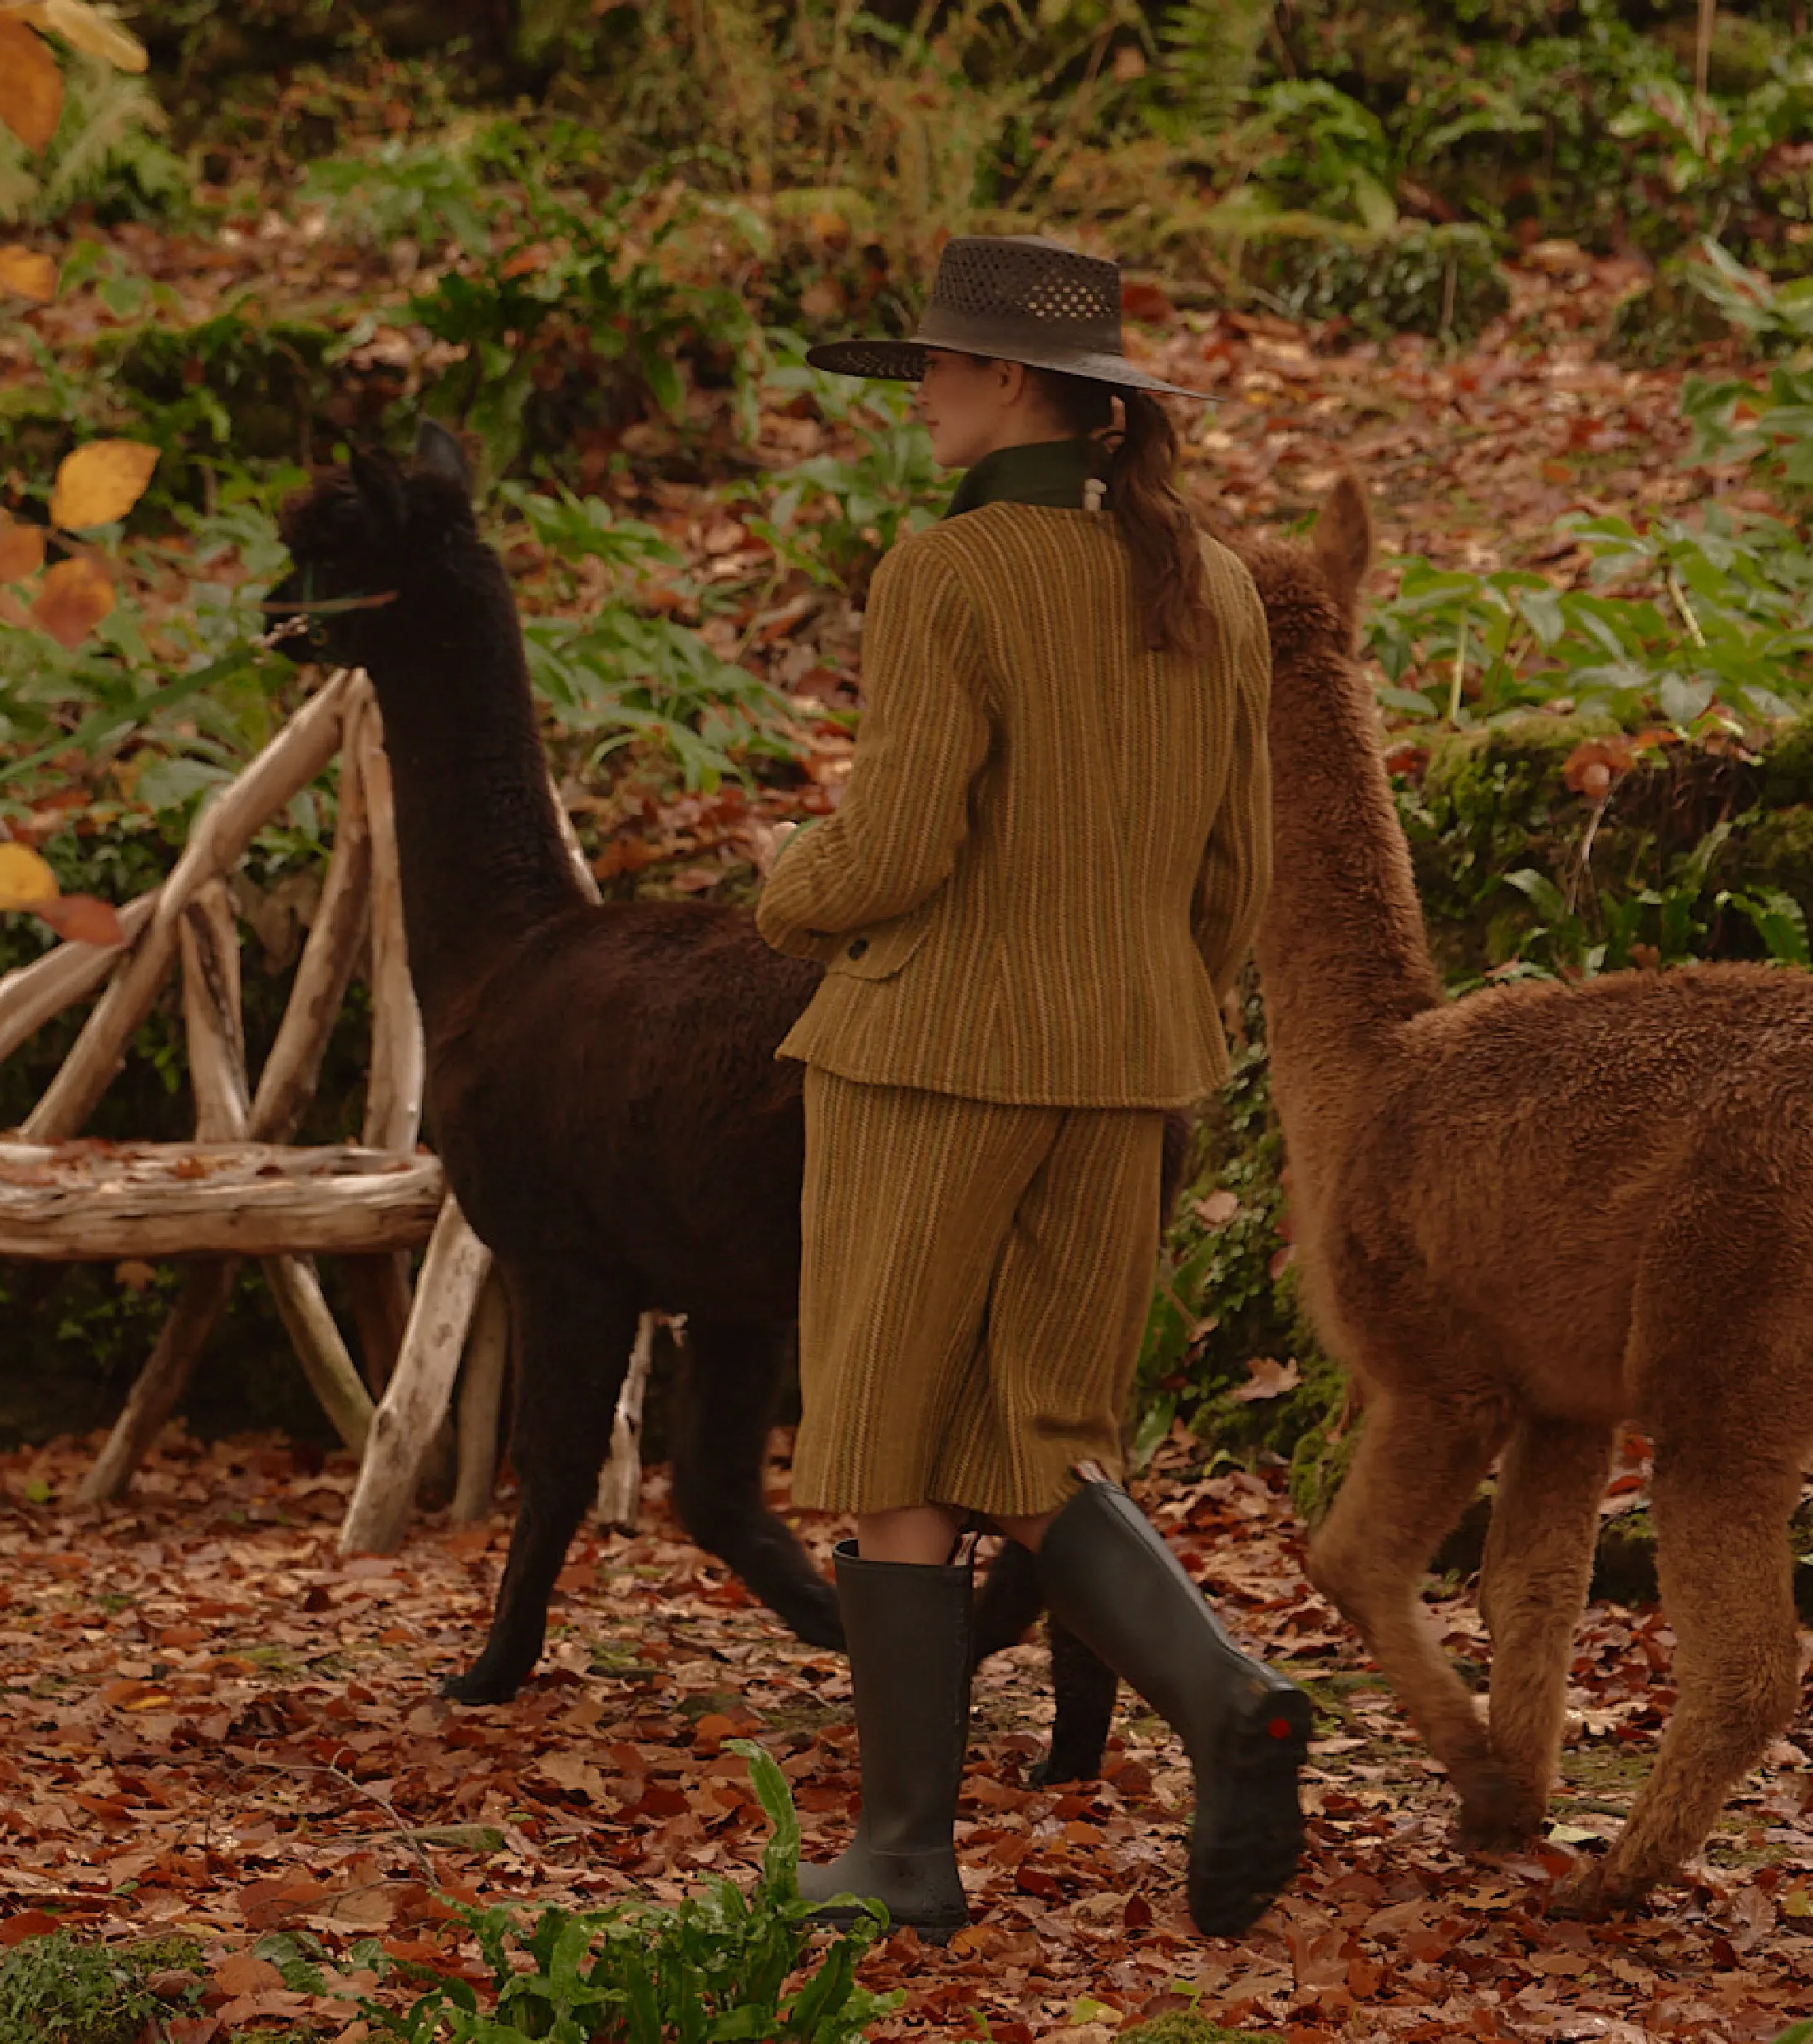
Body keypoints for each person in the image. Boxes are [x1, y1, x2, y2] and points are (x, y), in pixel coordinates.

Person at [754, 235, 1308, 1943]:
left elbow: (901, 843)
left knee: (890, 1441)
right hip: (1123, 1065)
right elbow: (1239, 875)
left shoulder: (948, 575)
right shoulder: (1209, 583)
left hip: (931, 1059)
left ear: (1011, 384)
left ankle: (907, 1854)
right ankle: (1218, 1695)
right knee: (1035, 1441)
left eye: (935, 362)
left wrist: (784, 887)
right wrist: (1150, 1005)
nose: (916, 386)